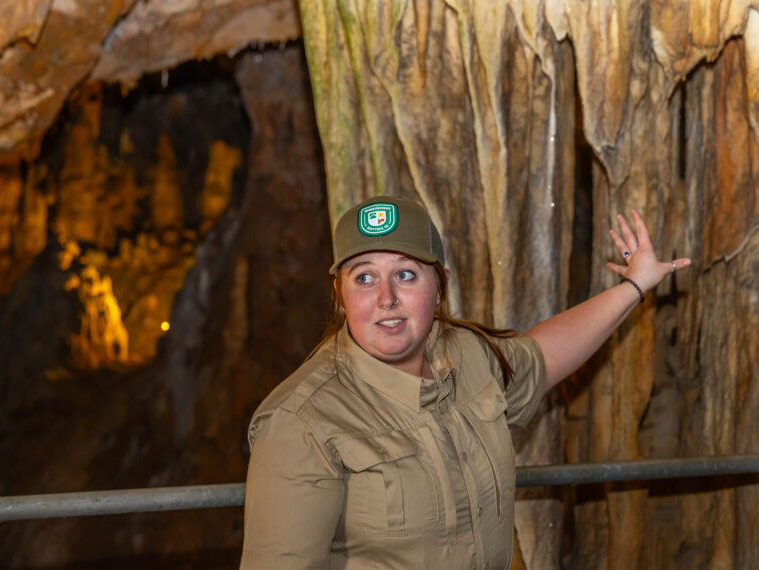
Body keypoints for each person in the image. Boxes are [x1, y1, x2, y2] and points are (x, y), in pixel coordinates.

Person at [240, 195, 690, 569]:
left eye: (405, 274)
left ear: (440, 286)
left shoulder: (468, 356)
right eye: (364, 278)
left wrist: (635, 286)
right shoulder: (301, 422)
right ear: (340, 296)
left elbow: (542, 356)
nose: (386, 298)